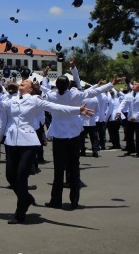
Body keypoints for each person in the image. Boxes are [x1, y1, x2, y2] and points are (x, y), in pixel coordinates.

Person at [0, 76, 95, 223]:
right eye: (21, 82)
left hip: (28, 142)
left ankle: (20, 212)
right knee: (10, 176)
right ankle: (27, 198)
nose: (22, 83)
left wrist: (77, 110)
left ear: (30, 88)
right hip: (11, 141)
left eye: (25, 83)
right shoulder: (11, 100)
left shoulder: (35, 100)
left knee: (21, 177)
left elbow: (55, 107)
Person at [41, 60, 118, 209]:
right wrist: (110, 84)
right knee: (74, 168)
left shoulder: (51, 96)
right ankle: (74, 200)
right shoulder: (76, 94)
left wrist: (45, 76)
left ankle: (55, 200)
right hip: (74, 133)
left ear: (56, 85)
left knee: (58, 170)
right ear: (69, 85)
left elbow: (44, 89)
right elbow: (93, 91)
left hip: (59, 135)